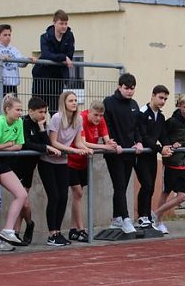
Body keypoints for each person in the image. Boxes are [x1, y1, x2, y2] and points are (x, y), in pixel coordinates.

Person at [40, 90, 93, 246]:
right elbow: (53, 142)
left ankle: (58, 232)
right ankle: (52, 234)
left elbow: (78, 142)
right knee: (54, 196)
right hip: (48, 162)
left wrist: (86, 148)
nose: (74, 103)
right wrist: (74, 151)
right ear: (64, 103)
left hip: (63, 162)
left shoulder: (78, 120)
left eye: (75, 100)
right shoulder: (57, 118)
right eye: (71, 100)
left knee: (63, 196)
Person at [0, 94, 29, 252]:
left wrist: (6, 146)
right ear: (7, 109)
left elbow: (20, 145)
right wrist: (8, 144)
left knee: (21, 194)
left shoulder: (19, 122)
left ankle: (7, 231)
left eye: (21, 110)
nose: (20, 113)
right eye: (17, 110)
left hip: (4, 163)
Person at [67, 101, 118, 242]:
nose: (98, 118)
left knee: (78, 196)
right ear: (89, 111)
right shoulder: (81, 118)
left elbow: (107, 140)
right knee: (78, 192)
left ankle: (73, 230)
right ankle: (81, 229)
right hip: (71, 160)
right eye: (95, 115)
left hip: (84, 162)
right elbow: (83, 143)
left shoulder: (101, 121)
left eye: (100, 116)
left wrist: (113, 144)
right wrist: (106, 147)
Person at [16, 96, 61, 244]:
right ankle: (22, 228)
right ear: (30, 111)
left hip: (29, 168)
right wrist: (44, 147)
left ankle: (23, 228)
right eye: (40, 112)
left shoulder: (40, 124)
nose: (43, 115)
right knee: (23, 202)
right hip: (16, 167)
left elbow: (48, 145)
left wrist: (42, 129)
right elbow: (26, 144)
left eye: (45, 112)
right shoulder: (23, 122)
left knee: (23, 202)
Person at [104, 72, 144, 234]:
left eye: (132, 89)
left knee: (122, 186)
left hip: (129, 152)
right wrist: (113, 143)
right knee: (119, 185)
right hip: (115, 153)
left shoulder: (134, 104)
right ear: (119, 87)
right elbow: (107, 125)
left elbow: (136, 127)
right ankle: (126, 218)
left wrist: (139, 141)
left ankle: (116, 218)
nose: (129, 91)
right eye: (126, 88)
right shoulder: (109, 102)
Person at [153, 94, 185, 234]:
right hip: (171, 162)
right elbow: (162, 136)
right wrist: (170, 145)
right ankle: (158, 221)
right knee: (166, 192)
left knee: (182, 196)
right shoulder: (172, 121)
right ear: (179, 106)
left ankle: (155, 214)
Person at [136, 85, 171, 229]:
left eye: (165, 99)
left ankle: (147, 216)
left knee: (150, 188)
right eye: (161, 97)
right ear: (153, 96)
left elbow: (162, 135)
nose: (163, 101)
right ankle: (141, 216)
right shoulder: (142, 113)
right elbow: (143, 137)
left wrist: (168, 146)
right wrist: (159, 148)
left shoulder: (161, 116)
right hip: (142, 154)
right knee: (146, 185)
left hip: (152, 156)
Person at [31, 10, 75, 114]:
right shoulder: (45, 37)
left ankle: (53, 130)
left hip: (57, 77)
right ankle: (39, 129)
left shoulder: (69, 36)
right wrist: (63, 57)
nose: (64, 26)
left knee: (55, 110)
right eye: (61, 23)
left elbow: (70, 54)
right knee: (39, 108)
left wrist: (63, 57)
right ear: (54, 23)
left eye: (66, 23)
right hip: (42, 76)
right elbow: (46, 54)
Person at [0, 24, 31, 102]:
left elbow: (21, 63)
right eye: (5, 35)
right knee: (3, 104)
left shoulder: (13, 49)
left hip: (12, 83)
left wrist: (28, 60)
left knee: (13, 104)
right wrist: (2, 56)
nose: (8, 37)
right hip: (0, 83)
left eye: (9, 35)